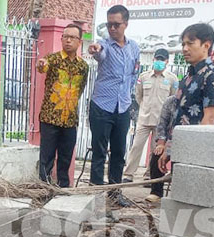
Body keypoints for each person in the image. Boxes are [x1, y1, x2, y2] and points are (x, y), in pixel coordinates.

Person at [149, 24, 214, 198]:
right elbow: (177, 117)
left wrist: (194, 153)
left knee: (188, 200)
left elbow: (210, 118)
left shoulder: (211, 75)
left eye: (190, 43)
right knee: (177, 199)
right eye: (183, 44)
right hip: (180, 148)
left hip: (194, 152)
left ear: (206, 45)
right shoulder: (188, 77)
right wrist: (169, 148)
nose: (185, 49)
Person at [87, 5, 140, 186]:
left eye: (116, 25)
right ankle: (94, 193)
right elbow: (100, 53)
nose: (112, 29)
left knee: (119, 152)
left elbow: (134, 73)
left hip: (123, 106)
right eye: (109, 24)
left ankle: (115, 192)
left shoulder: (134, 47)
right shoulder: (105, 44)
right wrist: (95, 49)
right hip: (102, 106)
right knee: (99, 152)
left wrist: (128, 94)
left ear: (126, 24)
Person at [35, 24, 89, 187]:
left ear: (79, 42)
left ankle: (63, 190)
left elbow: (81, 89)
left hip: (70, 120)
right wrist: (41, 64)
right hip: (50, 118)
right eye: (65, 36)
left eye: (72, 37)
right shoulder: (53, 59)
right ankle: (44, 189)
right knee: (47, 158)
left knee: (65, 159)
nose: (68, 40)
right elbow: (42, 66)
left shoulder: (83, 66)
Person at [122, 48, 178, 183]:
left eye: (162, 60)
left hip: (161, 122)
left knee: (156, 150)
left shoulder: (172, 79)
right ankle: (128, 175)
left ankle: (149, 176)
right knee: (136, 146)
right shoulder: (144, 76)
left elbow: (173, 99)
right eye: (157, 59)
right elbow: (138, 96)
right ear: (153, 60)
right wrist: (145, 108)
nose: (159, 62)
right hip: (144, 118)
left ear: (167, 61)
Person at [146, 95, 178, 202]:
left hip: (185, 141)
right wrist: (161, 143)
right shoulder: (170, 101)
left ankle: (177, 193)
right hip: (169, 139)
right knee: (157, 154)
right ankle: (156, 192)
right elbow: (162, 124)